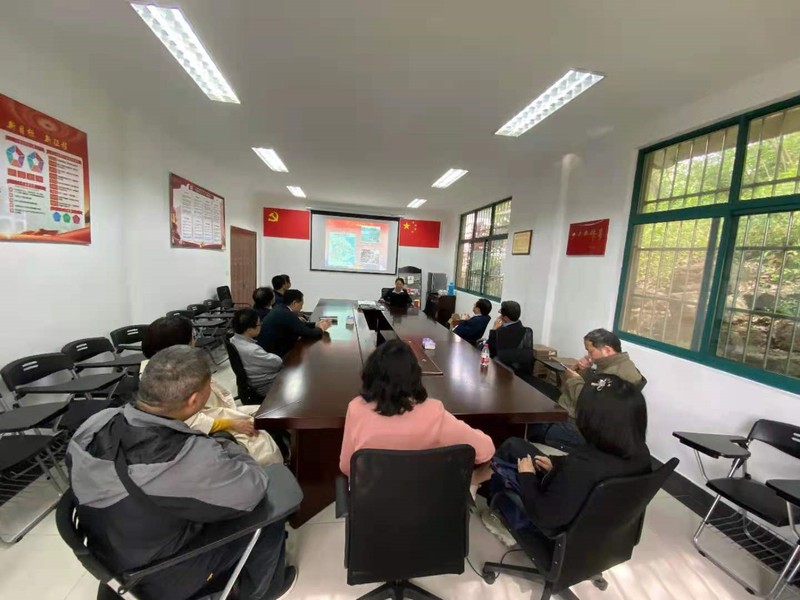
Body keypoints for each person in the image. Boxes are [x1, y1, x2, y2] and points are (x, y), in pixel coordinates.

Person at [67, 346, 297, 600]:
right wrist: (228, 443)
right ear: (194, 400)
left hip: (113, 553)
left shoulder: (96, 423)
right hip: (161, 573)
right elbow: (254, 486)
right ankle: (264, 592)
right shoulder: (184, 456)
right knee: (269, 511)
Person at [481, 374, 650, 546]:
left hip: (558, 528)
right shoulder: (641, 454)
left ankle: (502, 518)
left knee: (511, 452)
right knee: (514, 446)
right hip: (599, 524)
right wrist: (556, 465)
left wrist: (527, 476)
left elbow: (544, 515)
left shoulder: (581, 467)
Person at [339, 339, 495, 477]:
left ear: (370, 374)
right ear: (415, 376)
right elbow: (486, 450)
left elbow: (346, 467)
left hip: (371, 498)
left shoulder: (356, 408)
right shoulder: (433, 412)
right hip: (426, 498)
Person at [142, 316, 283, 466]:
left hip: (218, 413)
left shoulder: (173, 365)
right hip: (211, 427)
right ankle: (276, 471)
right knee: (265, 452)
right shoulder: (164, 378)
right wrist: (230, 423)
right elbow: (189, 421)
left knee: (270, 412)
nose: (195, 340)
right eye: (193, 336)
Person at [528, 328, 644, 451]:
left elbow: (589, 403)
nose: (588, 356)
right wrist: (584, 370)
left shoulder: (620, 374)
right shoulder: (609, 365)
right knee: (533, 406)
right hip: (570, 411)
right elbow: (591, 388)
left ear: (607, 350)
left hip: (578, 424)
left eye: (590, 351)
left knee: (529, 425)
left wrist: (574, 380)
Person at [257, 289, 332, 357]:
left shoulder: (280, 308)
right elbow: (307, 333)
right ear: (294, 303)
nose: (301, 308)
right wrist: (321, 328)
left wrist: (315, 324)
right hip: (273, 355)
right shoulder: (286, 314)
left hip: (269, 349)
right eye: (301, 305)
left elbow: (297, 324)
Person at [231, 308, 283, 398]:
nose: (261, 325)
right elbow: (277, 363)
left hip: (251, 380)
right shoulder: (252, 350)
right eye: (259, 324)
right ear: (249, 330)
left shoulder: (233, 340)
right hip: (263, 385)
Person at [486, 300, 533, 375]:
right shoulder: (522, 329)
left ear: (505, 317)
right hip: (519, 370)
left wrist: (494, 329)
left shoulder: (502, 331)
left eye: (500, 312)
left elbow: (489, 350)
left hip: (505, 370)